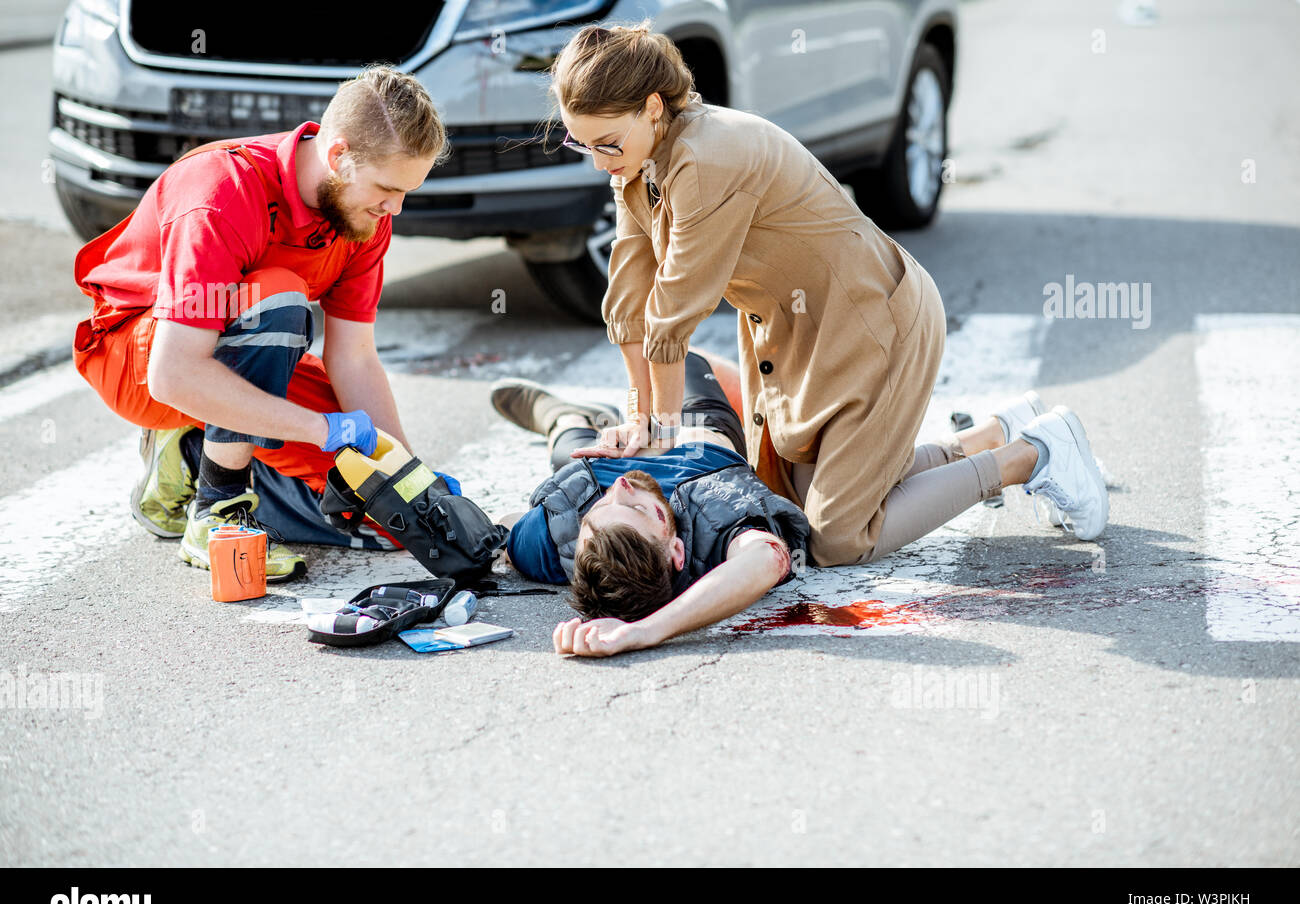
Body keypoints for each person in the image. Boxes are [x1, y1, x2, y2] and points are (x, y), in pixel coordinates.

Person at [547, 23, 1109, 571]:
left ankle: (1031, 454)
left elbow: (672, 314)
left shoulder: (705, 158)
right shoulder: (637, 158)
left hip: (870, 321)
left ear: (651, 107)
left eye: (606, 143)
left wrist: (661, 443)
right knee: (793, 502)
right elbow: (629, 297)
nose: (598, 161)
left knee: (838, 537)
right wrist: (638, 416)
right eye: (582, 143)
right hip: (795, 331)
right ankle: (993, 435)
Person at [72, 65, 449, 580]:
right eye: (387, 188)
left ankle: (188, 454)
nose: (396, 208)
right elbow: (174, 374)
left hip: (242, 352)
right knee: (276, 295)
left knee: (395, 516)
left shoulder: (366, 217)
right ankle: (218, 509)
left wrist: (405, 473)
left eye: (408, 192)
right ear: (338, 156)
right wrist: (320, 429)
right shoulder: (223, 193)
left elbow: (354, 357)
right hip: (142, 356)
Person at [490, 351, 809, 658]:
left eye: (597, 510)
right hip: (696, 442)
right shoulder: (716, 522)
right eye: (639, 509)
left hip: (603, 459)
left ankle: (566, 418)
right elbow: (767, 557)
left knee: (567, 454)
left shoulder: (546, 542)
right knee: (681, 356)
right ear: (677, 551)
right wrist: (646, 631)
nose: (620, 486)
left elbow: (504, 528)